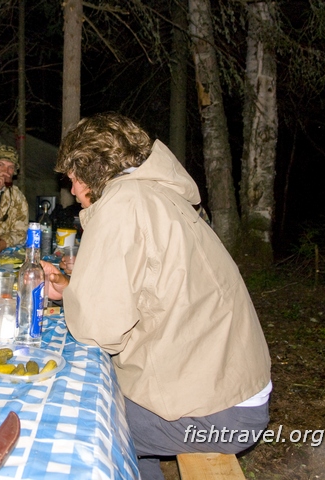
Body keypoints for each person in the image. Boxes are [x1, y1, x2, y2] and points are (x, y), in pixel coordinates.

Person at [41, 113, 272, 479]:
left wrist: (77, 302)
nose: (72, 191)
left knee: (72, 423)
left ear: (91, 170)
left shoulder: (123, 203)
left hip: (216, 411)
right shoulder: (158, 194)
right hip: (234, 388)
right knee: (111, 401)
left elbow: (98, 331)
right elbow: (142, 294)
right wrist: (72, 292)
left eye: (72, 178)